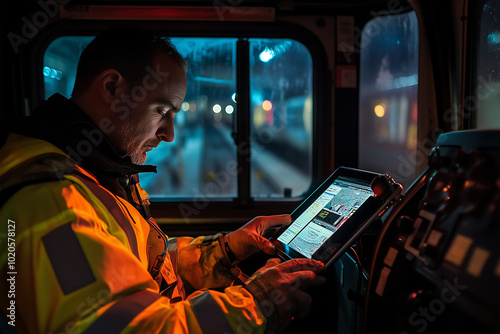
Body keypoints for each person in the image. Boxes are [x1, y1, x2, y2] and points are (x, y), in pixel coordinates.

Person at [0, 25, 326, 333]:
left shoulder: (97, 170)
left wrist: (223, 251)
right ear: (112, 88)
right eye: (162, 111)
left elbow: (141, 266)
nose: (169, 134)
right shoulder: (55, 203)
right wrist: (258, 302)